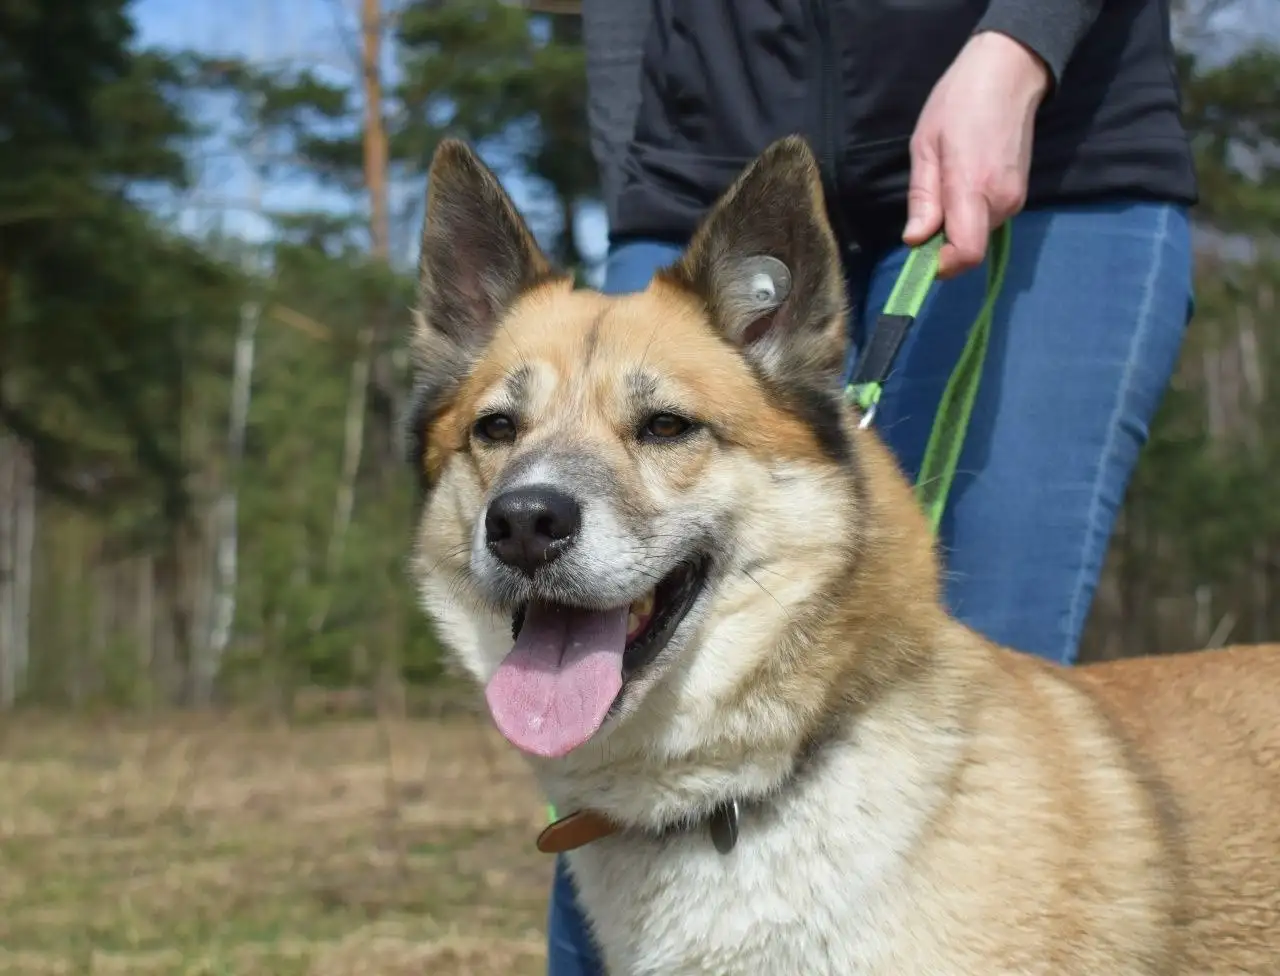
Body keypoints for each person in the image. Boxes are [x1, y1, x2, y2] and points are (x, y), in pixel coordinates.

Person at [553, 0, 1198, 971]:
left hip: (1044, 144)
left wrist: (1018, 48)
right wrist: (640, 166)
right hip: (703, 169)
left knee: (988, 721)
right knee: (617, 762)